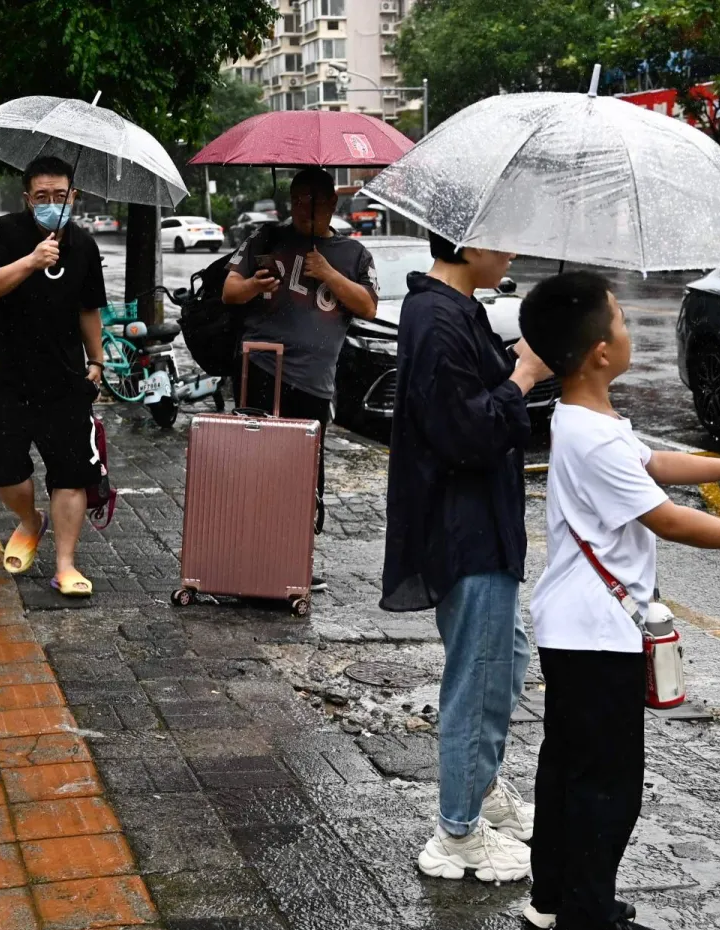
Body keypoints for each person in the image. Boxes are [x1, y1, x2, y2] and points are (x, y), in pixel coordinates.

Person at [518, 272, 720, 930]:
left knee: (568, 768)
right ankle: (587, 924)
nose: (629, 331)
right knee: (607, 785)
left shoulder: (585, 420)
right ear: (599, 351)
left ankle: (557, 894)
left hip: (578, 626)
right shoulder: (592, 437)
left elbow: (653, 462)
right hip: (597, 634)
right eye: (620, 322)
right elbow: (668, 520)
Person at [380, 232, 550, 883]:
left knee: (505, 659)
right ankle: (456, 832)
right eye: (503, 238)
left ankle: (479, 789)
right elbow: (463, 432)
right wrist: (524, 377)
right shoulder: (435, 316)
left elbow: (466, 397)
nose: (512, 251)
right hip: (462, 528)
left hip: (484, 523)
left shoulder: (458, 310)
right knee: (477, 679)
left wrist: (513, 365)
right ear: (469, 240)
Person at [222, 167, 378, 591]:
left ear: (332, 204)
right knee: (255, 466)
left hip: (313, 381)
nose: (306, 209)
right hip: (261, 369)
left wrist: (327, 273)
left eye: (315, 201)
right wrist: (255, 283)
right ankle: (248, 558)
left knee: (303, 473)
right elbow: (229, 292)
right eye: (298, 200)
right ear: (290, 202)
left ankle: (294, 559)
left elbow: (367, 307)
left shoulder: (353, 255)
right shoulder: (266, 239)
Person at [0, 156, 108, 594]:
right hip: (7, 377)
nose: (52, 204)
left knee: (71, 474)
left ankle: (66, 565)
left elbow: (89, 309)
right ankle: (31, 520)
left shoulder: (84, 245)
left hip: (65, 378)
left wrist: (97, 361)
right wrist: (31, 261)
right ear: (28, 199)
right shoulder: (3, 233)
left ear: (75, 196)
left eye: (61, 195)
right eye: (42, 196)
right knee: (4, 472)